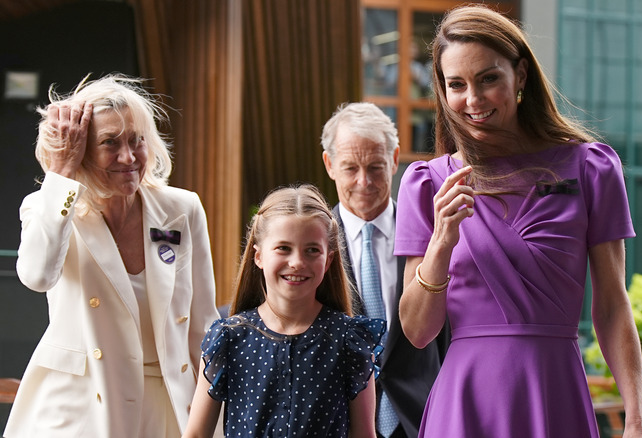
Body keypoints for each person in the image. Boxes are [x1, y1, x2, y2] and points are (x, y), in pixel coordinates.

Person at [394, 5, 642, 438]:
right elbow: (418, 332)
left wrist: (637, 418)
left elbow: (611, 305)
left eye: (488, 78)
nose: (472, 100)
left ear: (521, 76)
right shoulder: (426, 184)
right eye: (456, 84)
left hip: (554, 397)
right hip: (464, 406)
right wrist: (441, 241)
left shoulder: (590, 168)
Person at [4, 74, 221, 438]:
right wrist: (61, 174)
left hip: (168, 405)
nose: (129, 156)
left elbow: (203, 325)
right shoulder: (49, 207)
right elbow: (38, 275)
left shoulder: (183, 208)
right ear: (80, 151)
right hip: (80, 410)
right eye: (110, 143)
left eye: (137, 140)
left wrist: (213, 422)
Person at [183, 184, 384, 438]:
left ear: (329, 260)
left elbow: (364, 435)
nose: (297, 262)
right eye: (283, 248)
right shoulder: (228, 339)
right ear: (258, 257)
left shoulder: (349, 341)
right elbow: (196, 434)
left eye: (312, 250)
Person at [321, 102, 448, 438]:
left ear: (394, 161)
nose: (364, 182)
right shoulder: (313, 248)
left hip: (423, 420)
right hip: (340, 423)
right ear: (329, 164)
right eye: (350, 168)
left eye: (375, 167)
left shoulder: (433, 237)